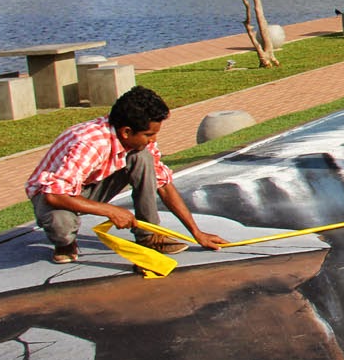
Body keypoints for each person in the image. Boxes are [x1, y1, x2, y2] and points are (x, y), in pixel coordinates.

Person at [26, 85, 224, 263]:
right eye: (148, 135)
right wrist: (111, 210)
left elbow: (163, 184)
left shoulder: (137, 142)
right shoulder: (90, 144)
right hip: (51, 195)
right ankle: (65, 243)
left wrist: (196, 232)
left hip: (88, 186)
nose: (153, 140)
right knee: (61, 223)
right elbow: (54, 194)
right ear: (126, 132)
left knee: (143, 158)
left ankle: (148, 235)